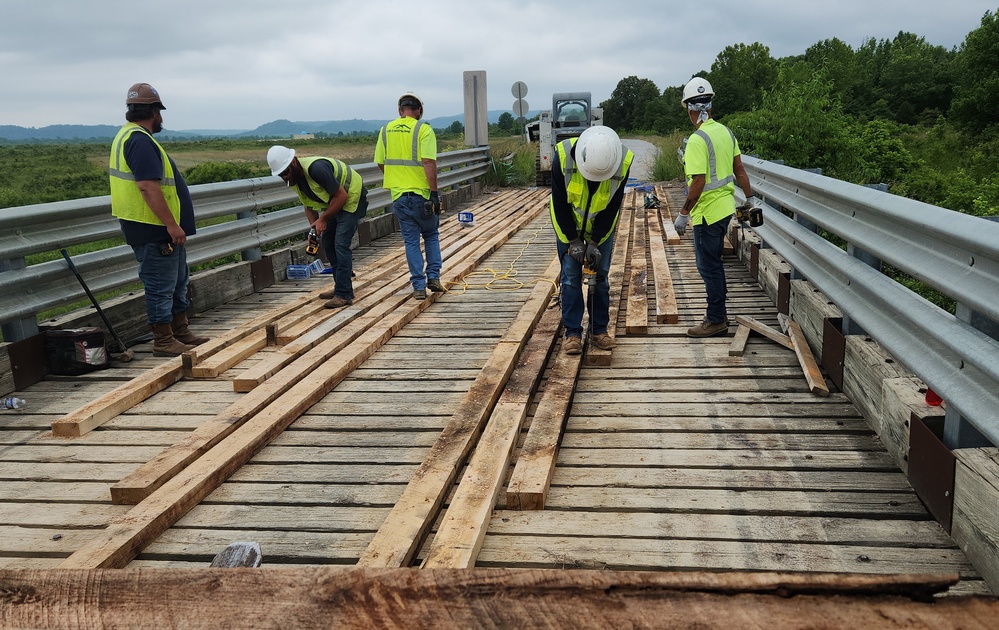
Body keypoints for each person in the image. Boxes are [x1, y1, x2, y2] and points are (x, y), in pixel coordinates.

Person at [109, 83, 208, 357]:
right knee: (159, 284)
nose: (161, 117)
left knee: (177, 281)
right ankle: (163, 341)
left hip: (157, 228)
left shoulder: (131, 135)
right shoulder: (139, 140)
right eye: (160, 111)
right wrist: (171, 224)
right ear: (154, 111)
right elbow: (148, 187)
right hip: (152, 228)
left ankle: (181, 331)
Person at [676, 77, 755, 338]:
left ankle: (715, 319)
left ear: (691, 109)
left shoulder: (698, 140)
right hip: (725, 209)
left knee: (709, 267)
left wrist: (683, 214)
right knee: (715, 264)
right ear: (710, 107)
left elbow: (698, 181)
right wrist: (750, 199)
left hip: (707, 214)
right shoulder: (726, 132)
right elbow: (739, 170)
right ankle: (718, 314)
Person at [550, 125, 634, 355]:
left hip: (601, 227)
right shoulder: (562, 157)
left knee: (601, 276)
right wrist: (573, 241)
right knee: (570, 278)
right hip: (568, 225)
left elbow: (612, 207)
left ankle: (598, 331)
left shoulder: (622, 161)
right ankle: (573, 334)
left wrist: (595, 242)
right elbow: (559, 203)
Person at [266, 146, 368, 308]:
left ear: (294, 162)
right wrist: (314, 229)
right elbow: (308, 206)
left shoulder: (317, 169)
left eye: (286, 172)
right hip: (334, 203)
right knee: (328, 242)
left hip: (352, 197)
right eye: (281, 175)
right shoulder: (294, 180)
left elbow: (342, 195)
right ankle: (340, 286)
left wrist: (324, 219)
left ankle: (344, 294)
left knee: (340, 244)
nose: (285, 177)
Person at [374, 92, 443, 300]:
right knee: (430, 235)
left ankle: (418, 287)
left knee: (411, 241)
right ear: (419, 111)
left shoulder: (385, 130)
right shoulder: (424, 129)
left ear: (400, 111)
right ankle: (434, 277)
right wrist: (434, 194)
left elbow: (380, 162)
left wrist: (396, 179)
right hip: (421, 195)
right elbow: (428, 162)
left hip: (399, 197)